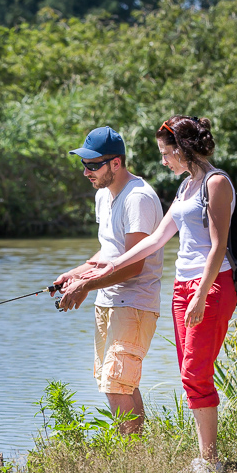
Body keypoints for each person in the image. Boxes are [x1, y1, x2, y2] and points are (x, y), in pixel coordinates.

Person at [81, 116, 237, 473]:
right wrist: (107, 267)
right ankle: (205, 458)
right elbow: (154, 241)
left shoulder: (215, 184)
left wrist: (200, 294)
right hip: (183, 286)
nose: (163, 161)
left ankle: (209, 460)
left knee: (196, 370)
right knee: (187, 370)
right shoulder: (185, 187)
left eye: (166, 154)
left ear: (182, 150)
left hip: (210, 284)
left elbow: (218, 246)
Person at [51, 126, 165, 435]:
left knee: (117, 382)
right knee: (113, 382)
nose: (86, 172)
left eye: (93, 164)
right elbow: (110, 252)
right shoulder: (104, 196)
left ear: (116, 163)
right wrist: (75, 274)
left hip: (134, 302)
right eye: (83, 164)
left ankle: (132, 460)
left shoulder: (138, 198)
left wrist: (85, 285)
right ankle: (135, 455)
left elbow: (134, 265)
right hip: (108, 300)